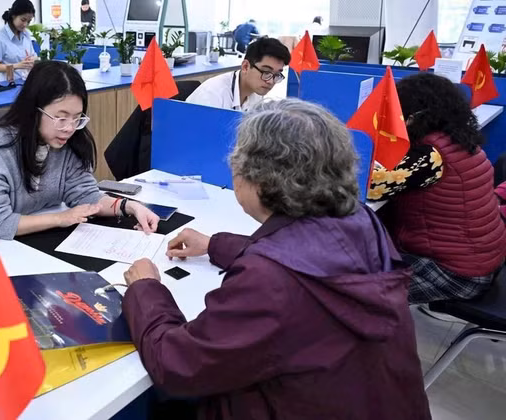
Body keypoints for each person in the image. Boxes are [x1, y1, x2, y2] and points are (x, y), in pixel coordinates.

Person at [120, 99, 431, 420]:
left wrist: (145, 290)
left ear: (261, 179)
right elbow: (313, 260)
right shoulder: (363, 219)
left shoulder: (268, 280)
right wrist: (216, 245)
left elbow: (177, 365)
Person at [0, 61, 160, 239]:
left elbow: (86, 196)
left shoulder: (69, 143)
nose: (69, 128)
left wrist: (129, 207)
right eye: (61, 117)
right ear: (34, 110)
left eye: (77, 117)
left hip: (27, 243)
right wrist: (60, 218)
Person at [368, 73, 506, 303]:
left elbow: (370, 187)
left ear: (417, 117)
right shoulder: (458, 140)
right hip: (480, 259)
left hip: (457, 274)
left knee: (354, 292)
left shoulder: (431, 156)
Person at [186, 37, 290, 111]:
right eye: (266, 72)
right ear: (245, 67)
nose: (270, 81)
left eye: (276, 75)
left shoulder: (256, 93)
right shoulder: (212, 95)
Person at [0, 0, 37, 83]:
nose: (25, 24)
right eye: (23, 20)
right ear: (13, 16)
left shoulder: (26, 34)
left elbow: (33, 55)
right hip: (8, 85)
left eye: (29, 21)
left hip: (26, 82)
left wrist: (32, 60)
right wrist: (17, 65)